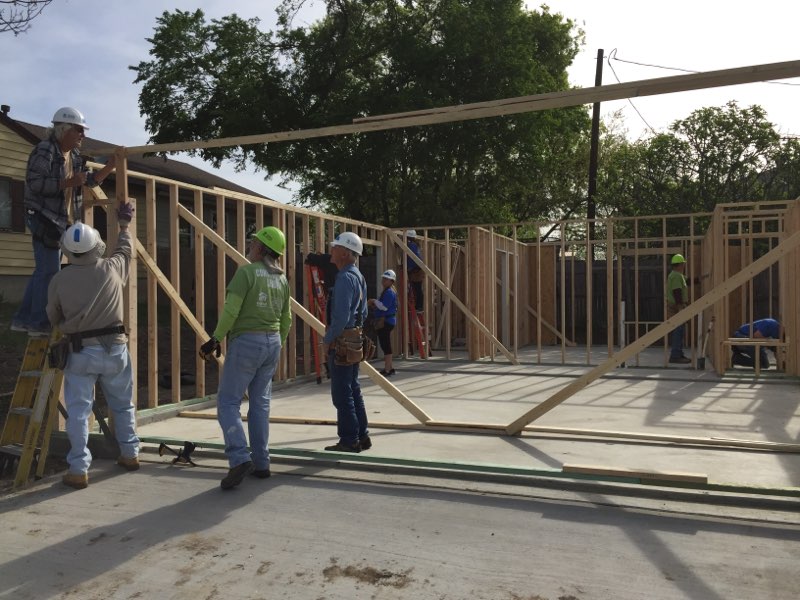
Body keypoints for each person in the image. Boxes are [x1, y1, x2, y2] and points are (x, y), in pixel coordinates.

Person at [46, 200, 139, 490]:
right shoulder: (112, 269)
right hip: (115, 349)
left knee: (78, 412)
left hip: (80, 352)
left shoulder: (59, 280)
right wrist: (124, 225)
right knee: (123, 406)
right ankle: (130, 454)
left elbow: (53, 316)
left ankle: (78, 470)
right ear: (96, 245)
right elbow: (125, 250)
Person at [200, 226, 292, 490]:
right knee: (260, 404)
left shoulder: (247, 273)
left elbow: (231, 311)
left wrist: (216, 338)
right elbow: (286, 319)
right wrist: (277, 344)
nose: (249, 247)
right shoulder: (282, 280)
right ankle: (262, 463)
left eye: (253, 243)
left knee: (228, 402)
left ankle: (239, 457)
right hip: (272, 341)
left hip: (247, 342)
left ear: (261, 249)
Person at [13, 107, 116, 337]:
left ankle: (23, 319)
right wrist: (67, 183)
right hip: (42, 216)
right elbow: (35, 185)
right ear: (64, 129)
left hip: (61, 220)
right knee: (50, 272)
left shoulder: (75, 156)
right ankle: (39, 324)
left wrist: (110, 166)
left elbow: (90, 182)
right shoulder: (45, 150)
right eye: (79, 130)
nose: (83, 135)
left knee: (44, 270)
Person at [322, 232, 370, 453]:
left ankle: (349, 439)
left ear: (344, 253)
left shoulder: (344, 278)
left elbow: (340, 317)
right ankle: (362, 435)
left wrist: (329, 339)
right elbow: (364, 311)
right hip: (355, 339)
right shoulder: (358, 276)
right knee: (353, 389)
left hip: (342, 342)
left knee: (342, 393)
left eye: (335, 248)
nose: (331, 251)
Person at [368, 269, 398, 377]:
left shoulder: (389, 292)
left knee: (385, 345)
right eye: (383, 279)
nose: (383, 281)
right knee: (385, 345)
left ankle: (388, 369)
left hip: (386, 321)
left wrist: (373, 301)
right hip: (387, 321)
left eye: (386, 279)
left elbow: (384, 307)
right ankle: (389, 368)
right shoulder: (388, 291)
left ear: (391, 281)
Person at [665, 253, 690, 364]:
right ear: (679, 265)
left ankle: (678, 353)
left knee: (679, 330)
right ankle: (675, 356)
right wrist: (680, 308)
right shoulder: (675, 275)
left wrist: (703, 277)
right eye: (683, 264)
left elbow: (688, 281)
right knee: (677, 331)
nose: (684, 266)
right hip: (675, 307)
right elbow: (677, 292)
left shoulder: (677, 275)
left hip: (676, 306)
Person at [405, 229, 424, 313]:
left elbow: (413, 260)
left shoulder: (411, 245)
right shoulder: (415, 245)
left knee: (417, 289)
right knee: (417, 289)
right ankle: (418, 306)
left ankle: (419, 307)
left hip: (416, 270)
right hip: (417, 270)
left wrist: (410, 269)